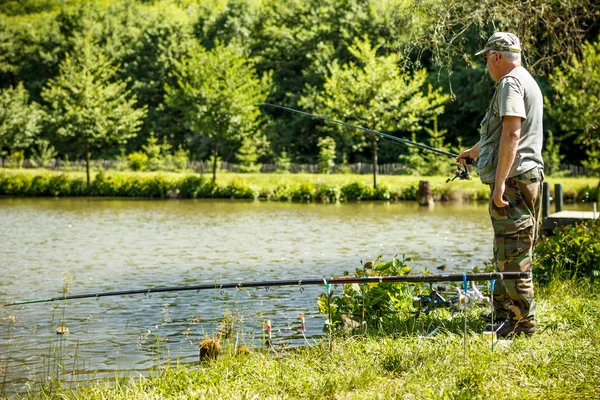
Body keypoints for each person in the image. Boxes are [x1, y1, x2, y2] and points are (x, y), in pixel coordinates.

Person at [456, 32, 544, 337]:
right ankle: (505, 314)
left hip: (515, 180)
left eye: (486, 60)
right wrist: (473, 153)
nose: (486, 67)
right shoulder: (525, 79)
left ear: (496, 57)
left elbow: (512, 134)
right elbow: (497, 134)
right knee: (507, 250)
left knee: (514, 254)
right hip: (525, 176)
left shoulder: (509, 83)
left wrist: (500, 184)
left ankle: (522, 325)